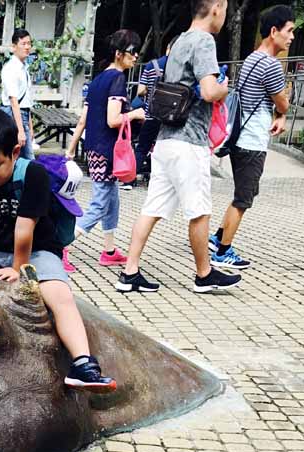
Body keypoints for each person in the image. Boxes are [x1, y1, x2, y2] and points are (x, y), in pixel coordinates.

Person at [0, 108, 116, 392]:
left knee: (59, 296)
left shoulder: (33, 175)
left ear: (15, 152)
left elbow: (24, 231)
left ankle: (83, 363)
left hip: (37, 250)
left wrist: (17, 270)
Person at [117, 0, 241, 295]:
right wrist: (225, 86)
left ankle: (129, 272)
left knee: (152, 208)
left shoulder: (181, 41)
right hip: (189, 142)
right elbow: (210, 91)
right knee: (199, 211)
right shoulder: (204, 41)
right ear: (217, 7)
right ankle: (204, 274)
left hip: (165, 140)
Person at [209, 5, 294, 270]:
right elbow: (282, 103)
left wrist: (279, 113)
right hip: (251, 142)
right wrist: (282, 112)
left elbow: (275, 105)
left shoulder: (252, 58)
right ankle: (222, 252)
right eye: (289, 31)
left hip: (240, 138)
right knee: (243, 199)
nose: (291, 37)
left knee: (243, 193)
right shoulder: (269, 65)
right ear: (273, 31)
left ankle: (219, 238)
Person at [64, 30, 144, 270]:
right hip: (108, 150)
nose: (136, 56)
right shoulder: (117, 79)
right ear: (119, 54)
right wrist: (136, 113)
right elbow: (113, 119)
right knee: (100, 202)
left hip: (94, 148)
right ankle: (59, 245)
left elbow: (83, 119)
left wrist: (71, 148)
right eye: (132, 51)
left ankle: (109, 250)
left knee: (112, 200)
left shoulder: (98, 80)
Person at [134, 40, 173, 180]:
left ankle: (130, 180)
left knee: (142, 147)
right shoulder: (178, 67)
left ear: (168, 47)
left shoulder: (152, 65)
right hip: (170, 118)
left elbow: (140, 90)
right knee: (164, 149)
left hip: (151, 114)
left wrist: (149, 93)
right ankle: (157, 179)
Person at [0, 28, 35, 160]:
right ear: (14, 47)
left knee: (19, 160)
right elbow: (14, 101)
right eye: (23, 44)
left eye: (29, 43)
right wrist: (21, 130)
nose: (27, 47)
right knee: (27, 160)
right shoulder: (11, 68)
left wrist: (30, 128)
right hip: (14, 117)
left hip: (23, 116)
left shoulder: (24, 68)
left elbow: (26, 101)